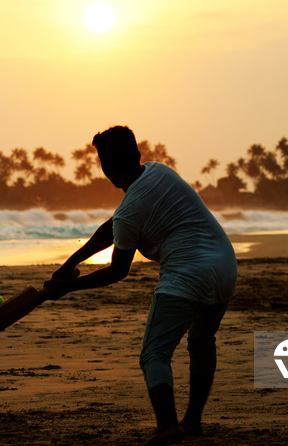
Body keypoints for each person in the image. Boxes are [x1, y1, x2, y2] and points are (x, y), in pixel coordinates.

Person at [44, 126, 237, 446]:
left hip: (188, 274)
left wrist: (67, 288)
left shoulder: (131, 209)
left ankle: (167, 426)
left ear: (105, 168)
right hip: (225, 265)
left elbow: (118, 270)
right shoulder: (159, 171)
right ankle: (191, 422)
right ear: (137, 155)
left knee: (154, 354)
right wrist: (70, 264)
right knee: (202, 340)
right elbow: (114, 226)